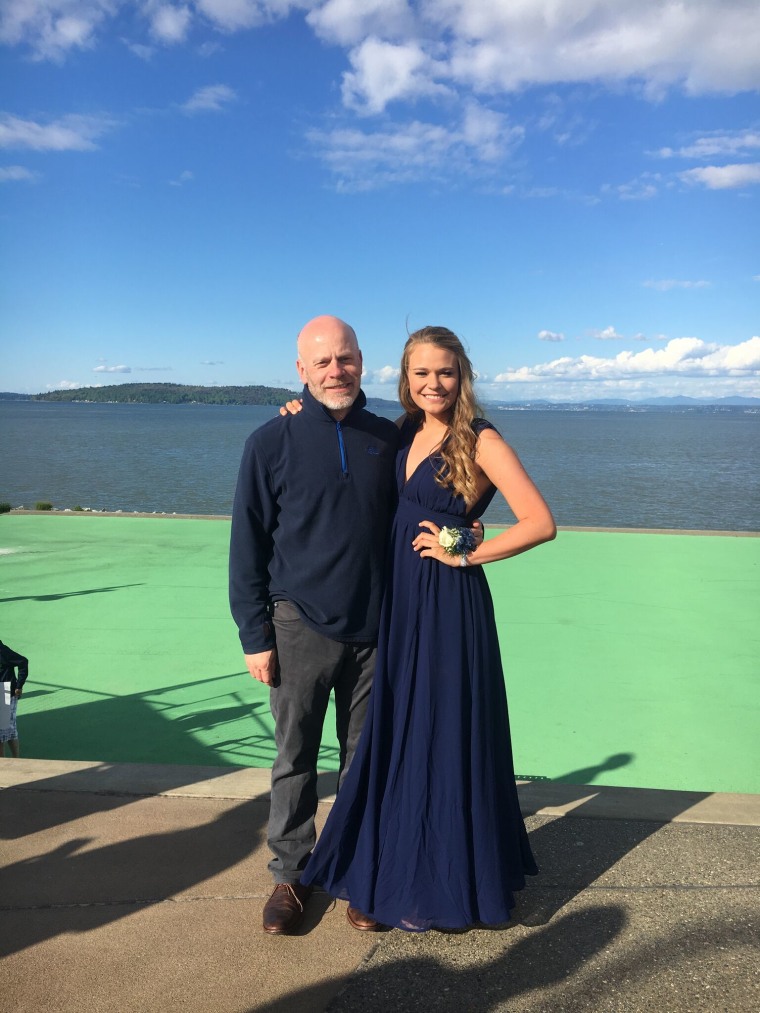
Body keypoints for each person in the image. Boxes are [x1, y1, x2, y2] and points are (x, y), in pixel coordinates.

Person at [300, 325, 557, 931]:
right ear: (405, 379)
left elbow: (540, 522)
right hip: (399, 602)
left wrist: (462, 551)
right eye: (421, 373)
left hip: (448, 607)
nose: (433, 384)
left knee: (443, 732)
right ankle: (388, 867)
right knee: (398, 733)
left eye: (444, 372)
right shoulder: (403, 432)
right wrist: (299, 405)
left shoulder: (481, 439)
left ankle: (445, 878)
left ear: (460, 375)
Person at [229, 315, 400, 935]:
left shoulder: (389, 438)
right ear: (300, 370)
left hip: (376, 630)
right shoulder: (268, 443)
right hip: (297, 624)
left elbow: (437, 491)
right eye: (322, 362)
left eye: (346, 358)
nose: (336, 370)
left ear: (362, 361)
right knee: (294, 759)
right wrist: (255, 635)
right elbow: (247, 544)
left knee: (364, 761)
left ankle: (359, 872)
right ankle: (291, 876)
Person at [0, 640, 29, 758]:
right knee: (9, 732)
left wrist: (19, 685)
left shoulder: (2, 651)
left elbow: (23, 662)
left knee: (2, 734)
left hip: (4, 691)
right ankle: (15, 761)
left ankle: (5, 764)